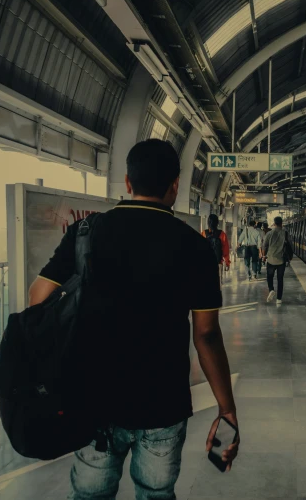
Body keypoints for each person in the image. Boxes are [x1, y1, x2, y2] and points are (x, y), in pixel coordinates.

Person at [27, 139, 239, 499]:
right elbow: (206, 336)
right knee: (156, 493)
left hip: (93, 399)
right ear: (175, 185)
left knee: (90, 495)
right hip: (163, 401)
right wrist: (227, 408)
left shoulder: (88, 232)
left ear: (127, 182)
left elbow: (39, 298)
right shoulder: (196, 248)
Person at [263, 216, 289, 305]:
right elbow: (289, 246)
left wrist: (263, 256)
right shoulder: (285, 233)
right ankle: (279, 299)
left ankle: (271, 289)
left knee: (269, 276)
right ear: (281, 223)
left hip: (270, 259)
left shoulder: (269, 233)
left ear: (274, 223)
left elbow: (264, 246)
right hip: (281, 260)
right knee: (280, 279)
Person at [204, 214, 230, 285]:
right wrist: (227, 263)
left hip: (205, 263)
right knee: (217, 284)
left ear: (208, 223)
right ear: (217, 223)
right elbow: (226, 251)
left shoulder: (204, 233)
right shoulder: (222, 234)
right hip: (218, 263)